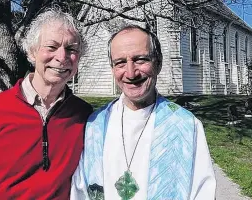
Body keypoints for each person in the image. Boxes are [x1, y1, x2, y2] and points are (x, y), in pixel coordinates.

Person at [0, 8, 93, 199]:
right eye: (51, 47)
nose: (61, 57)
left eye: (71, 49)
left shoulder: (84, 115)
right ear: (32, 51)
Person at [71, 25, 216, 200]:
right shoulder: (95, 125)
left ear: (158, 63)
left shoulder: (186, 125)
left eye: (140, 60)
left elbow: (203, 193)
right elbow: (80, 192)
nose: (131, 73)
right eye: (120, 63)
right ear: (112, 69)